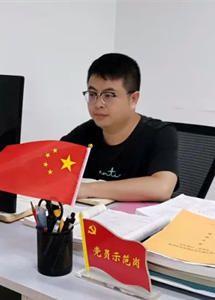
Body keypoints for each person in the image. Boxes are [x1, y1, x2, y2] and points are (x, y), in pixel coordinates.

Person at [61, 53, 179, 202]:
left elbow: (162, 188)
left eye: (109, 95)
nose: (98, 104)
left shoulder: (160, 134)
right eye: (92, 94)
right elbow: (48, 166)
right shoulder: (86, 132)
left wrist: (87, 189)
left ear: (133, 99)